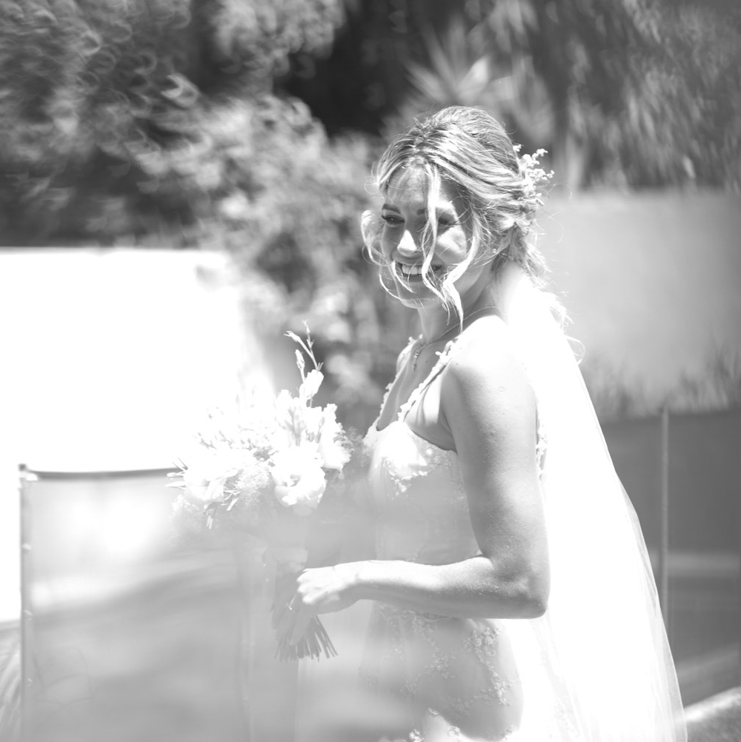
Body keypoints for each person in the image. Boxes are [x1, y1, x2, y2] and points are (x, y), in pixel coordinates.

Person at [275, 106, 685, 741]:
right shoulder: (421, 355)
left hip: (467, 711)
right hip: (399, 687)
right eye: (394, 220)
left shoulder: (481, 365)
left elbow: (521, 582)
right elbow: (409, 523)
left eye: (437, 224)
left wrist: (356, 579)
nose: (405, 247)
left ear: (493, 229)